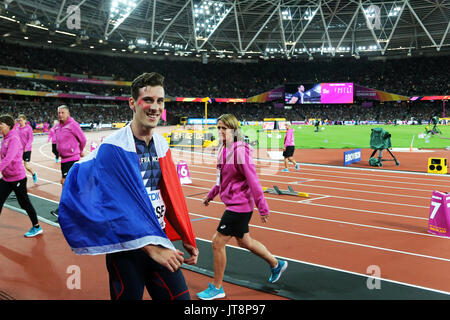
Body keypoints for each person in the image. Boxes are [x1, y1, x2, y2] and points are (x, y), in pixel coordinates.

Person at [58, 72, 198, 300]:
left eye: (160, 101)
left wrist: (185, 234)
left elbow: (170, 194)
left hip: (159, 238)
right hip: (126, 251)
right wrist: (151, 249)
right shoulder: (112, 148)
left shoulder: (162, 144)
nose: (155, 107)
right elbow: (113, 208)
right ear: (132, 103)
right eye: (148, 100)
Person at [197, 113, 287, 300]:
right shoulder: (223, 149)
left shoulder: (240, 151)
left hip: (240, 205)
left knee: (217, 242)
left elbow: (253, 180)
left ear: (234, 130)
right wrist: (211, 195)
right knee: (244, 241)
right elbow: (221, 179)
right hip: (233, 202)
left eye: (225, 128)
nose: (221, 131)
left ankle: (217, 287)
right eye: (219, 127)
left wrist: (262, 206)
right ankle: (275, 264)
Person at [0, 114, 43, 237]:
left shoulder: (13, 138)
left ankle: (36, 226)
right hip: (6, 178)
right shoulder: (5, 137)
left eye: (1, 124)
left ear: (8, 125)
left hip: (17, 177)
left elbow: (9, 158)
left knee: (24, 204)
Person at [50, 106, 87, 218]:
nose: (60, 114)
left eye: (63, 112)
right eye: (59, 112)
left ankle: (62, 209)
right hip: (64, 159)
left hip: (72, 157)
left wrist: (79, 151)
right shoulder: (57, 127)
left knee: (64, 182)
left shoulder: (73, 125)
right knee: (70, 184)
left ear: (68, 113)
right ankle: (79, 206)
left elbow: (83, 139)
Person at [16, 114, 38, 183]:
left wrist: (26, 147)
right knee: (17, 165)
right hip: (18, 149)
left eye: (21, 120)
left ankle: (33, 174)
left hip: (26, 150)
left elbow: (30, 139)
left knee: (26, 165)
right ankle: (19, 179)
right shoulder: (17, 127)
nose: (20, 122)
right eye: (19, 120)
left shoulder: (28, 128)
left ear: (25, 120)